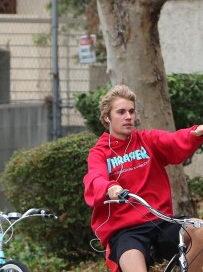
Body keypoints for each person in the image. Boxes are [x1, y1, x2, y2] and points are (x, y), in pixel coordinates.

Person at [83, 85, 203, 272]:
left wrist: (195, 133)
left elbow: (173, 141)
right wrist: (110, 188)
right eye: (121, 112)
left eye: (131, 111)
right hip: (126, 231)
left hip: (160, 221)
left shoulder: (147, 140)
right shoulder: (99, 152)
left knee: (200, 230)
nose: (128, 116)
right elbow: (95, 178)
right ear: (107, 117)